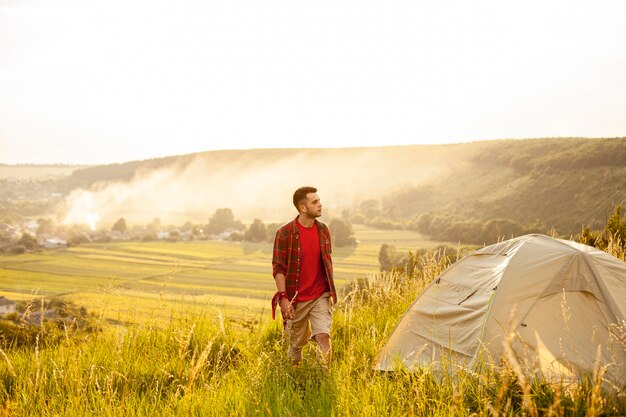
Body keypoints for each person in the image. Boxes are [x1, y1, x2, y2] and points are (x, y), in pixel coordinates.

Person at [272, 186, 337, 365]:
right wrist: (283, 298)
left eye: (319, 201)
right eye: (314, 202)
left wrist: (330, 293)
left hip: (320, 295)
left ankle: (324, 379)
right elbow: (278, 269)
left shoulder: (323, 230)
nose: (320, 205)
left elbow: (326, 264)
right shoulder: (284, 233)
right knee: (296, 345)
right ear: (303, 208)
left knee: (323, 336)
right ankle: (295, 378)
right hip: (295, 299)